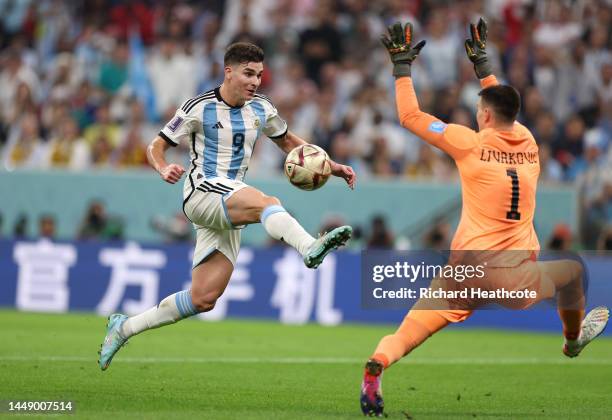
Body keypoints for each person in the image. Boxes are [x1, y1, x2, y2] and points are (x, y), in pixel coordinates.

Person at [360, 19, 609, 416]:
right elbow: (502, 101)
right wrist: (484, 68)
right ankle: (572, 341)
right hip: (512, 276)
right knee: (572, 274)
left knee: (408, 333)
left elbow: (409, 116)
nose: (477, 113)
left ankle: (379, 362)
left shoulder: (468, 144)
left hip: (464, 269)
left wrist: (402, 67)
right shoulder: (529, 143)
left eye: (479, 109)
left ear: (486, 116)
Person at [98, 42, 355, 370]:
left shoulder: (262, 108)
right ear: (228, 71)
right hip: (202, 192)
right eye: (248, 73)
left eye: (259, 75)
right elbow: (156, 145)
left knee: (203, 298)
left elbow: (290, 143)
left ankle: (124, 327)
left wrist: (332, 166)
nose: (255, 81)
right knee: (268, 202)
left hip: (229, 201)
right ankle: (309, 246)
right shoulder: (198, 107)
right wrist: (163, 167)